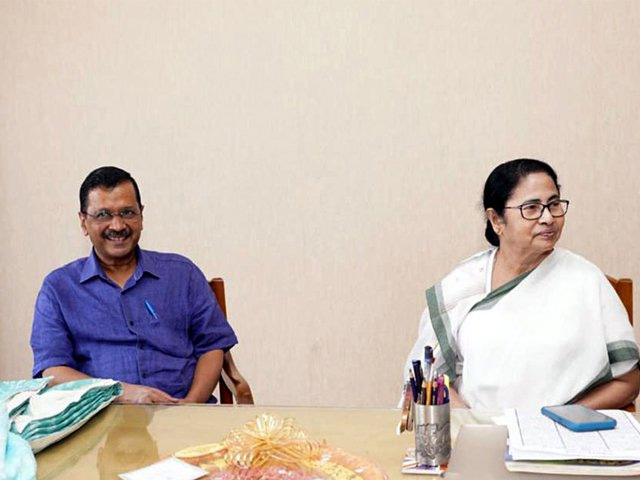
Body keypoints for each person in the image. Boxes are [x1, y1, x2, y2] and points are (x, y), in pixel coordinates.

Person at [404, 159, 640, 410]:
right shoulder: (464, 285)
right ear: (496, 220)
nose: (548, 218)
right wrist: (472, 423)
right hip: (479, 429)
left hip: (564, 428)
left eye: (554, 204)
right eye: (531, 208)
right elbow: (426, 377)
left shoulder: (587, 279)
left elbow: (628, 381)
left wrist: (559, 419)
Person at [31, 166, 238, 404]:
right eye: (103, 215)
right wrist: (119, 393)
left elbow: (212, 346)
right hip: (102, 417)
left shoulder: (182, 274)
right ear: (83, 222)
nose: (118, 226)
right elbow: (53, 371)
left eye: (127, 212)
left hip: (184, 412)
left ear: (141, 215)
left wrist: (191, 405)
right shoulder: (59, 288)